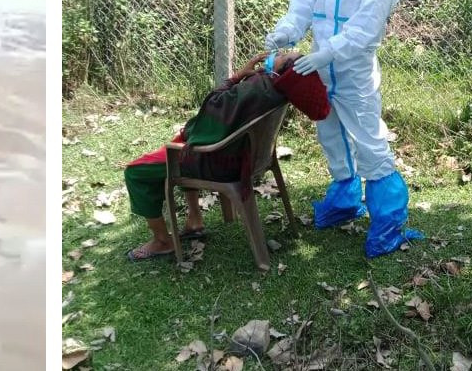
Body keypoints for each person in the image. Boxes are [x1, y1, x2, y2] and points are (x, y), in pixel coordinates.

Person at [265, 0, 421, 258]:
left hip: (352, 73)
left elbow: (366, 27)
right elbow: (301, 6)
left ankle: (388, 222)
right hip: (319, 71)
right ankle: (345, 199)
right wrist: (285, 31)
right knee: (331, 137)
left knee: (369, 142)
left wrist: (327, 54)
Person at [123, 51, 331, 261]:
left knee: (136, 171)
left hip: (217, 161)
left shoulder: (256, 89)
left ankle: (161, 241)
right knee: (182, 140)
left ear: (282, 70)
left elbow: (212, 104)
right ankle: (194, 220)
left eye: (284, 55)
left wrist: (237, 76)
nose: (278, 53)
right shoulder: (276, 90)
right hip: (243, 158)